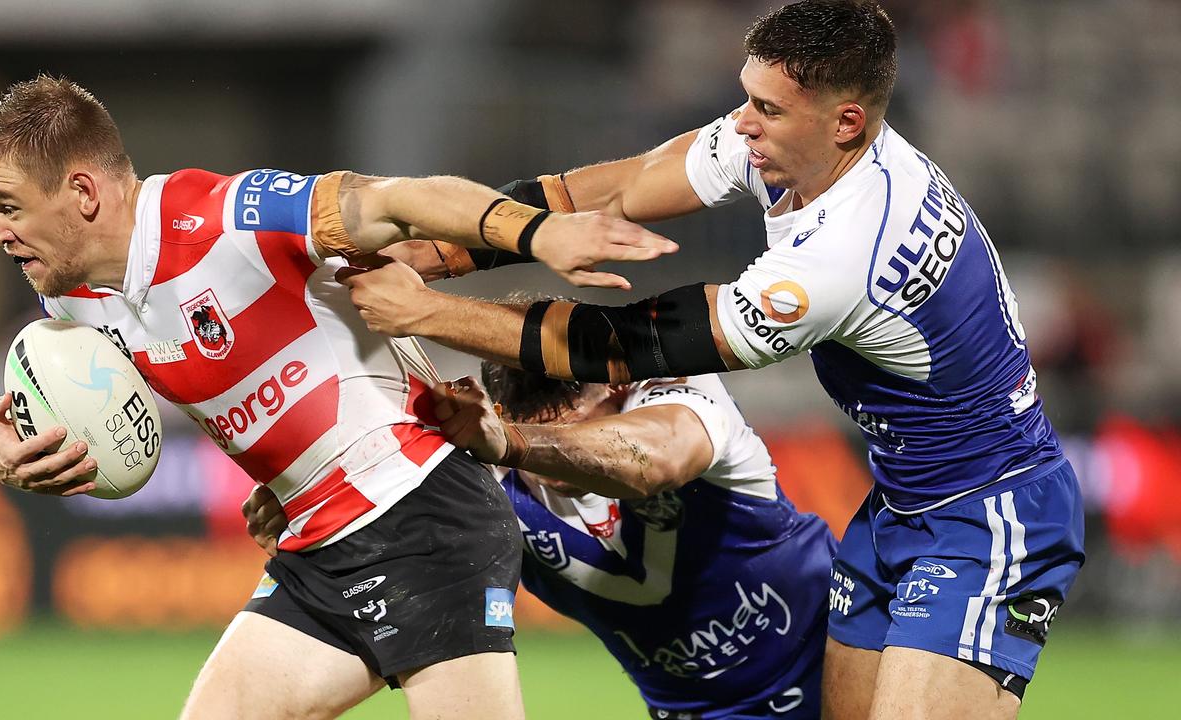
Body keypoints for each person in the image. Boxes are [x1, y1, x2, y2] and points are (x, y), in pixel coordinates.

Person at [336, 2, 1085, 718]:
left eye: (769, 109)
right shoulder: (808, 152)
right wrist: (439, 250)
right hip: (900, 505)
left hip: (989, 509)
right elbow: (617, 187)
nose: (743, 124)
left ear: (846, 120)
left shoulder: (844, 252)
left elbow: (629, 348)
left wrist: (425, 313)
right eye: (747, 98)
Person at [0, 74, 675, 720]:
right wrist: (6, 458)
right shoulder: (78, 307)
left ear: (82, 192)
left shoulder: (225, 214)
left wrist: (540, 231)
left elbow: (401, 200)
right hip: (319, 544)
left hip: (421, 509)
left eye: (6, 206)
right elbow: (65, 406)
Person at [245, 357, 836, 720]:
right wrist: (305, 493)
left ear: (615, 385)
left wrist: (513, 442)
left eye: (582, 418)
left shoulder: (678, 393)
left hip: (844, 659)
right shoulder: (482, 486)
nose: (560, 457)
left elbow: (655, 457)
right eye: (531, 426)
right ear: (503, 410)